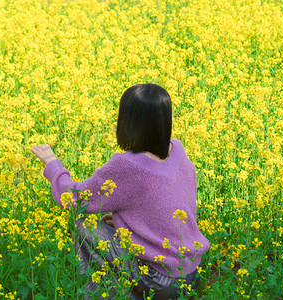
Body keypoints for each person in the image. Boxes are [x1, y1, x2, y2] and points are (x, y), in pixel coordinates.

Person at [31, 83, 210, 299]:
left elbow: (74, 199)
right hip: (191, 274)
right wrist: (127, 223)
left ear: (128, 122)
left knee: (83, 225)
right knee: (111, 230)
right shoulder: (178, 152)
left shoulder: (128, 166)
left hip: (160, 281)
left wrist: (52, 164)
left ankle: (110, 294)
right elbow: (168, 204)